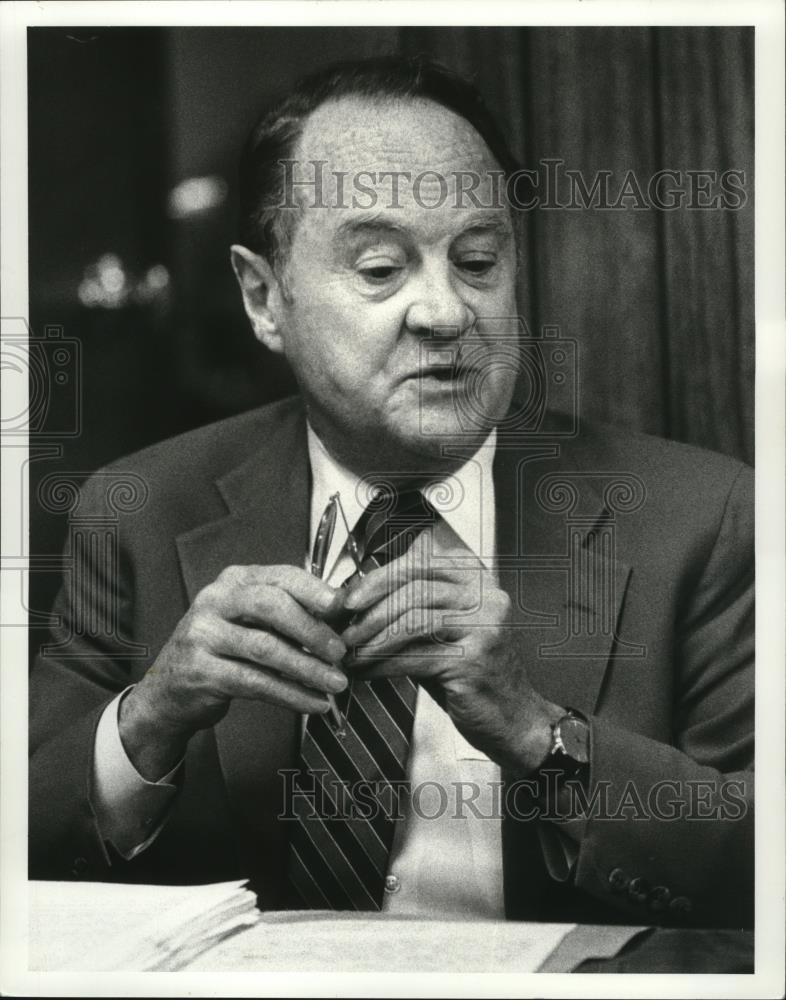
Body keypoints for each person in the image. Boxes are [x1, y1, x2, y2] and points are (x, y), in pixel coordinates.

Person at [29, 56, 753, 928]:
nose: (446, 312)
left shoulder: (700, 517)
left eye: (479, 261)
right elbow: (25, 834)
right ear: (264, 298)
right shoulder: (139, 512)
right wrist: (150, 719)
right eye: (381, 269)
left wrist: (537, 734)